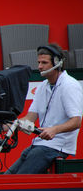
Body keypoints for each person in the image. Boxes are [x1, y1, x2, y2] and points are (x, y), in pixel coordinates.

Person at [5, 44, 83, 174]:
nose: (40, 66)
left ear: (58, 63)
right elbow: (30, 117)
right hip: (39, 145)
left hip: (57, 147)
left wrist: (54, 130)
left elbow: (76, 121)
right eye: (39, 62)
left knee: (17, 183)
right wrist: (9, 125)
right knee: (5, 180)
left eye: (44, 63)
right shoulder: (42, 86)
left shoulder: (70, 86)